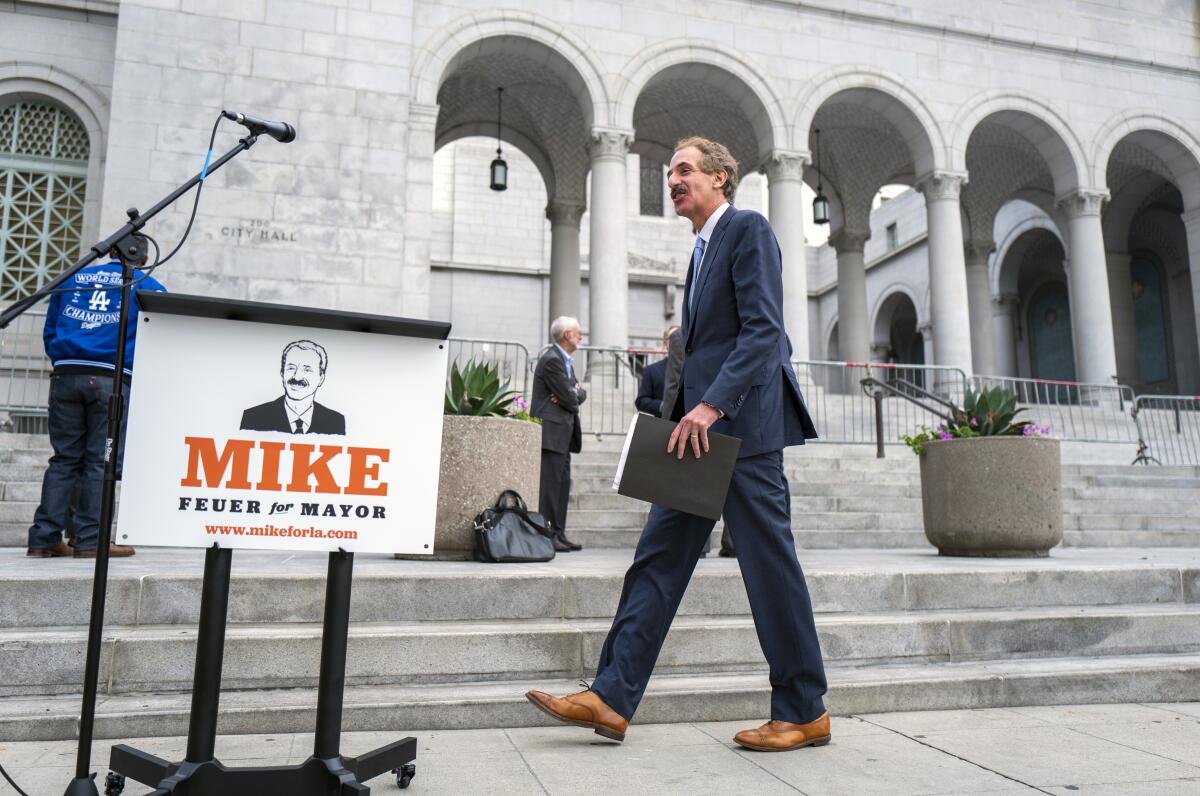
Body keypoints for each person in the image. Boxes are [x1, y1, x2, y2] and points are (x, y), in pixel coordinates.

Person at [526, 136, 828, 752]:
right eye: (669, 173)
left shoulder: (747, 230)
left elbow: (765, 332)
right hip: (697, 437)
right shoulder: (701, 250)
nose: (673, 180)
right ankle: (611, 696)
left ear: (721, 176)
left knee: (770, 567)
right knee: (657, 559)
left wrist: (711, 405)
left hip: (742, 430)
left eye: (685, 170)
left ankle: (804, 710)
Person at [27, 257, 167, 559]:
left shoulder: (73, 278)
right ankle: (90, 539)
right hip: (110, 380)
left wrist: (65, 358)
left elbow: (51, 330)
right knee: (101, 461)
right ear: (141, 257)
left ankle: (43, 537)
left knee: (64, 459)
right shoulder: (144, 283)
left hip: (67, 374)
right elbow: (163, 331)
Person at [661, 325, 736, 559]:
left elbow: (673, 384)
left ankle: (710, 545)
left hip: (711, 415)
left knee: (702, 483)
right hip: (706, 417)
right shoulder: (681, 337)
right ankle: (717, 544)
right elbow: (674, 384)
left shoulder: (682, 336)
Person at [531, 316, 587, 553]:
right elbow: (572, 398)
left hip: (564, 433)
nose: (581, 337)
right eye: (578, 332)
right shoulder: (552, 360)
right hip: (552, 434)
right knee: (550, 488)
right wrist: (572, 393)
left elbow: (578, 394)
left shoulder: (565, 361)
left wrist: (573, 392)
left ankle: (559, 534)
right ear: (567, 335)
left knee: (562, 486)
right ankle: (547, 534)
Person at [240, 339, 346, 434]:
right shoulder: (253, 417)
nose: (297, 377)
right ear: (282, 373)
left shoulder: (336, 422)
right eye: (291, 368)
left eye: (307, 369)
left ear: (321, 378)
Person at [634, 326, 678, 417]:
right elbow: (641, 401)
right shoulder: (651, 370)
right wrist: (665, 406)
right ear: (666, 343)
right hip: (664, 425)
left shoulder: (696, 370)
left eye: (682, 337)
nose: (678, 342)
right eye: (674, 337)